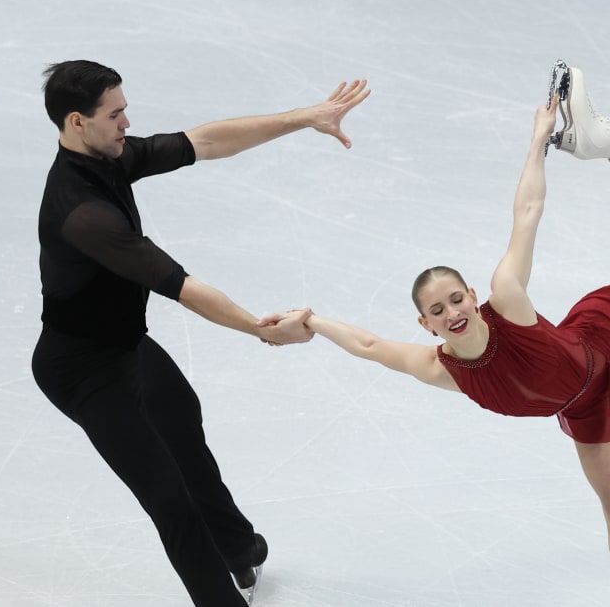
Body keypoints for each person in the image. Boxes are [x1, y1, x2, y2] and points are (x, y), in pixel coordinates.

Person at [264, 62, 610, 606]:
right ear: (426, 325)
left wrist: (537, 143)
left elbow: (527, 211)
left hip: (604, 331)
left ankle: (608, 145)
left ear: (473, 298)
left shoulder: (507, 296)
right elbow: (368, 347)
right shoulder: (443, 368)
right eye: (438, 310)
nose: (452, 311)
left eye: (456, 298)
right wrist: (311, 321)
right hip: (587, 405)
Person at [30, 59, 367, 607]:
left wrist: (306, 117)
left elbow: (206, 141)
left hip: (126, 346)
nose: (126, 123)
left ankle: (238, 550)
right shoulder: (82, 212)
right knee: (171, 502)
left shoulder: (108, 156)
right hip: (82, 371)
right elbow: (179, 285)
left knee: (183, 426)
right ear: (76, 122)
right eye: (115, 115)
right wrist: (263, 330)